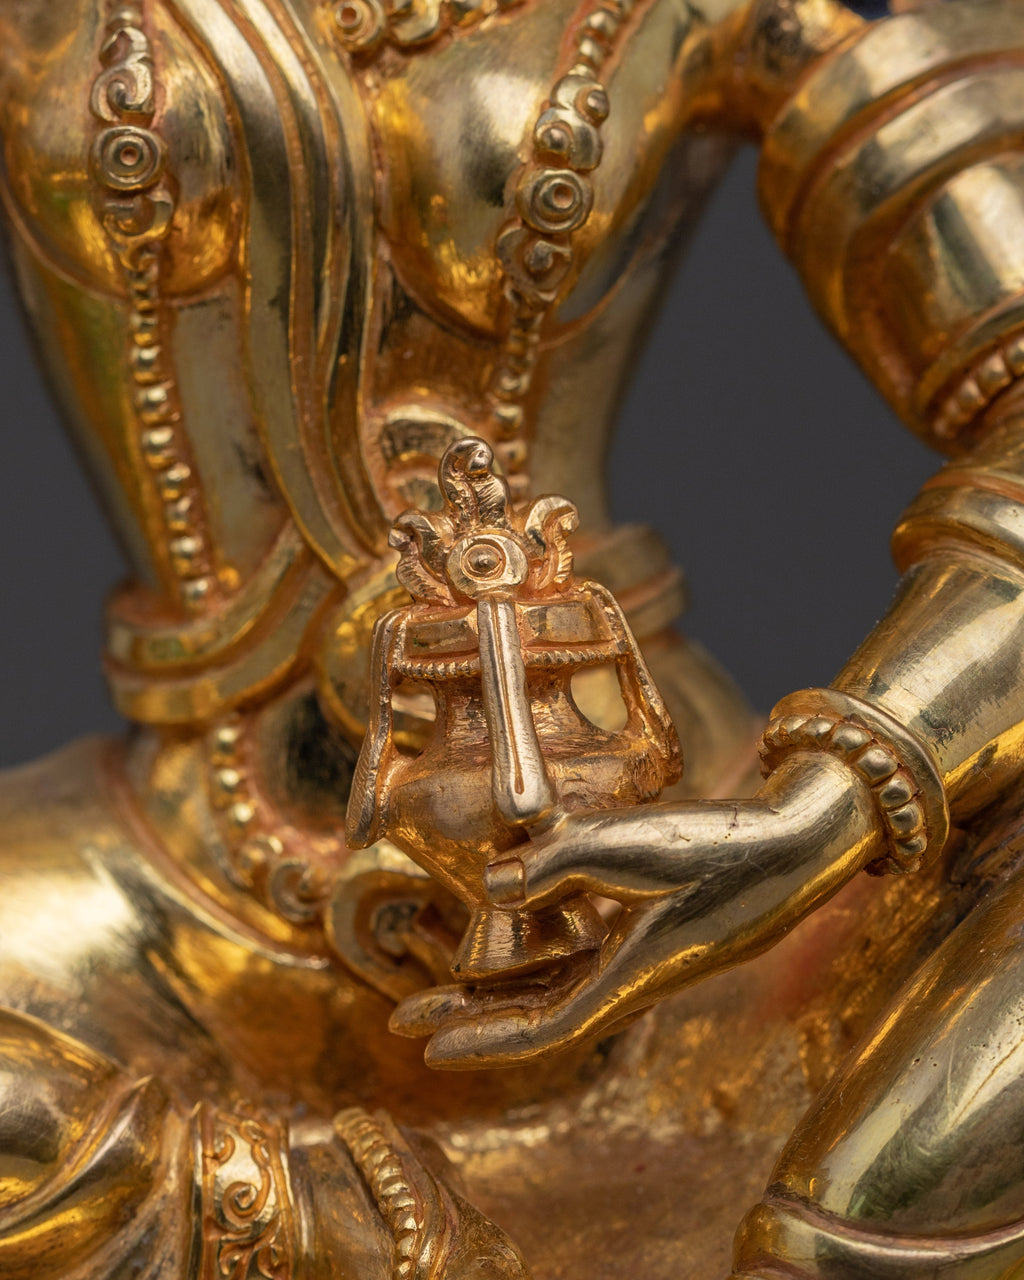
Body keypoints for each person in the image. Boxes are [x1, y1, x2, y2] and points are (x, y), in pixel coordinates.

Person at [2, 0, 1024, 1275]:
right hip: (174, 898)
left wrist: (819, 809)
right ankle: (313, 1230)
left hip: (676, 880)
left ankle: (823, 1244)